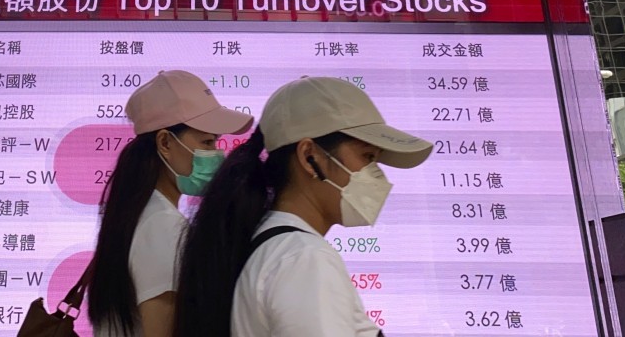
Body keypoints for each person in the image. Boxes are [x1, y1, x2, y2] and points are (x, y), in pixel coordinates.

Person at [174, 76, 433, 337]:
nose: (376, 175)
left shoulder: (276, 247)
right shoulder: (305, 259)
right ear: (309, 157)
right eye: (367, 157)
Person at [88, 70, 254, 337]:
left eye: (216, 142)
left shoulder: (138, 217)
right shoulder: (163, 226)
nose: (216, 154)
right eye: (207, 142)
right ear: (165, 142)